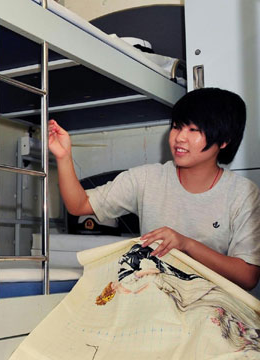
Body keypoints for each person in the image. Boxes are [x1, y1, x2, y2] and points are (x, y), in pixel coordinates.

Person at [49, 87, 260, 290]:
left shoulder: (243, 194)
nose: (179, 137)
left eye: (193, 130)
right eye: (177, 126)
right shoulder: (146, 179)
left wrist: (186, 244)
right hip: (154, 295)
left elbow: (248, 276)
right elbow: (79, 205)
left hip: (211, 304)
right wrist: (64, 157)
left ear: (224, 141)